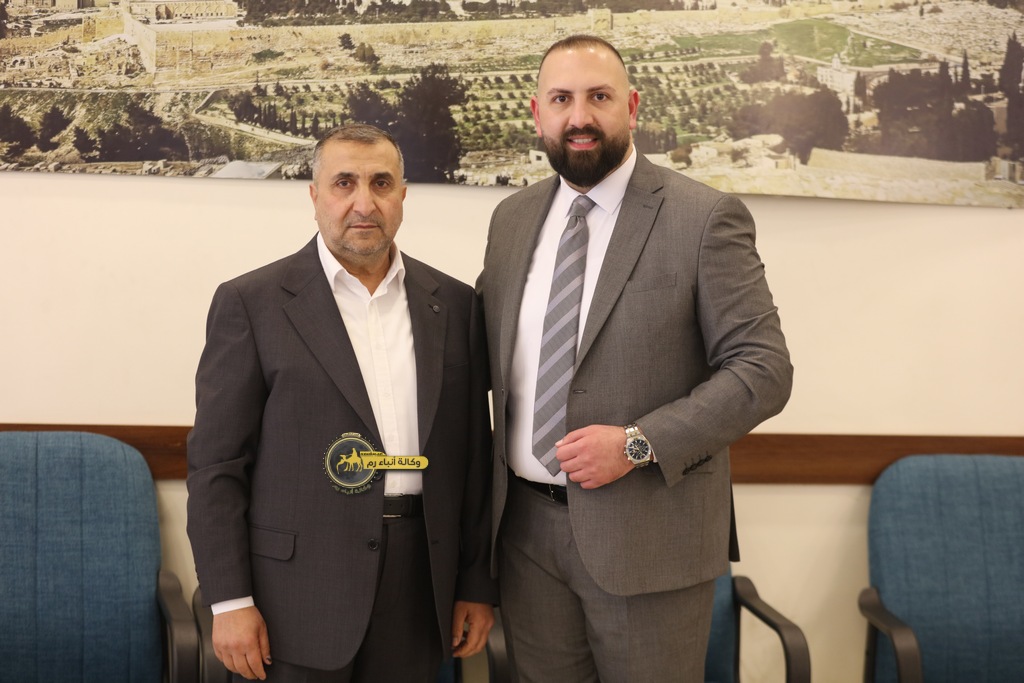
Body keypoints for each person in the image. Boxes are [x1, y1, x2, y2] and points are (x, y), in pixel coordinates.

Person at [476, 35, 793, 682]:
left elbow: (763, 370)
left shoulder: (704, 218)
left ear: (633, 106)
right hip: (526, 540)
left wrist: (637, 443)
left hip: (650, 541)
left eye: (599, 96)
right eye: (561, 99)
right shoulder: (511, 219)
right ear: (537, 113)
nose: (579, 117)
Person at [187, 123, 496, 682]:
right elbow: (217, 467)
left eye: (381, 183)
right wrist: (229, 600)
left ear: (403, 195)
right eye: (344, 183)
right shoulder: (251, 304)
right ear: (314, 196)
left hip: (420, 587)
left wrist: (475, 583)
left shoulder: (455, 304)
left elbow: (473, 458)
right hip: (294, 595)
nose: (364, 203)